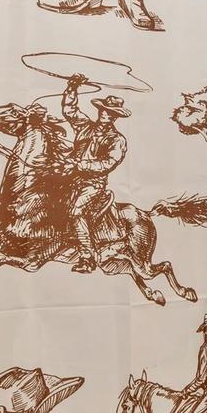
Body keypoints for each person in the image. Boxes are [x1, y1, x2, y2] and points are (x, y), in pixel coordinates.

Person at [56, 76, 130, 272]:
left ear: (116, 117)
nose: (107, 115)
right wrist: (72, 87)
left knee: (77, 211)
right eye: (105, 111)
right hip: (69, 178)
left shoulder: (117, 140)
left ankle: (87, 258)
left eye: (112, 113)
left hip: (92, 185)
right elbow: (69, 110)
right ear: (100, 111)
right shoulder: (85, 126)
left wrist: (79, 164)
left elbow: (108, 163)